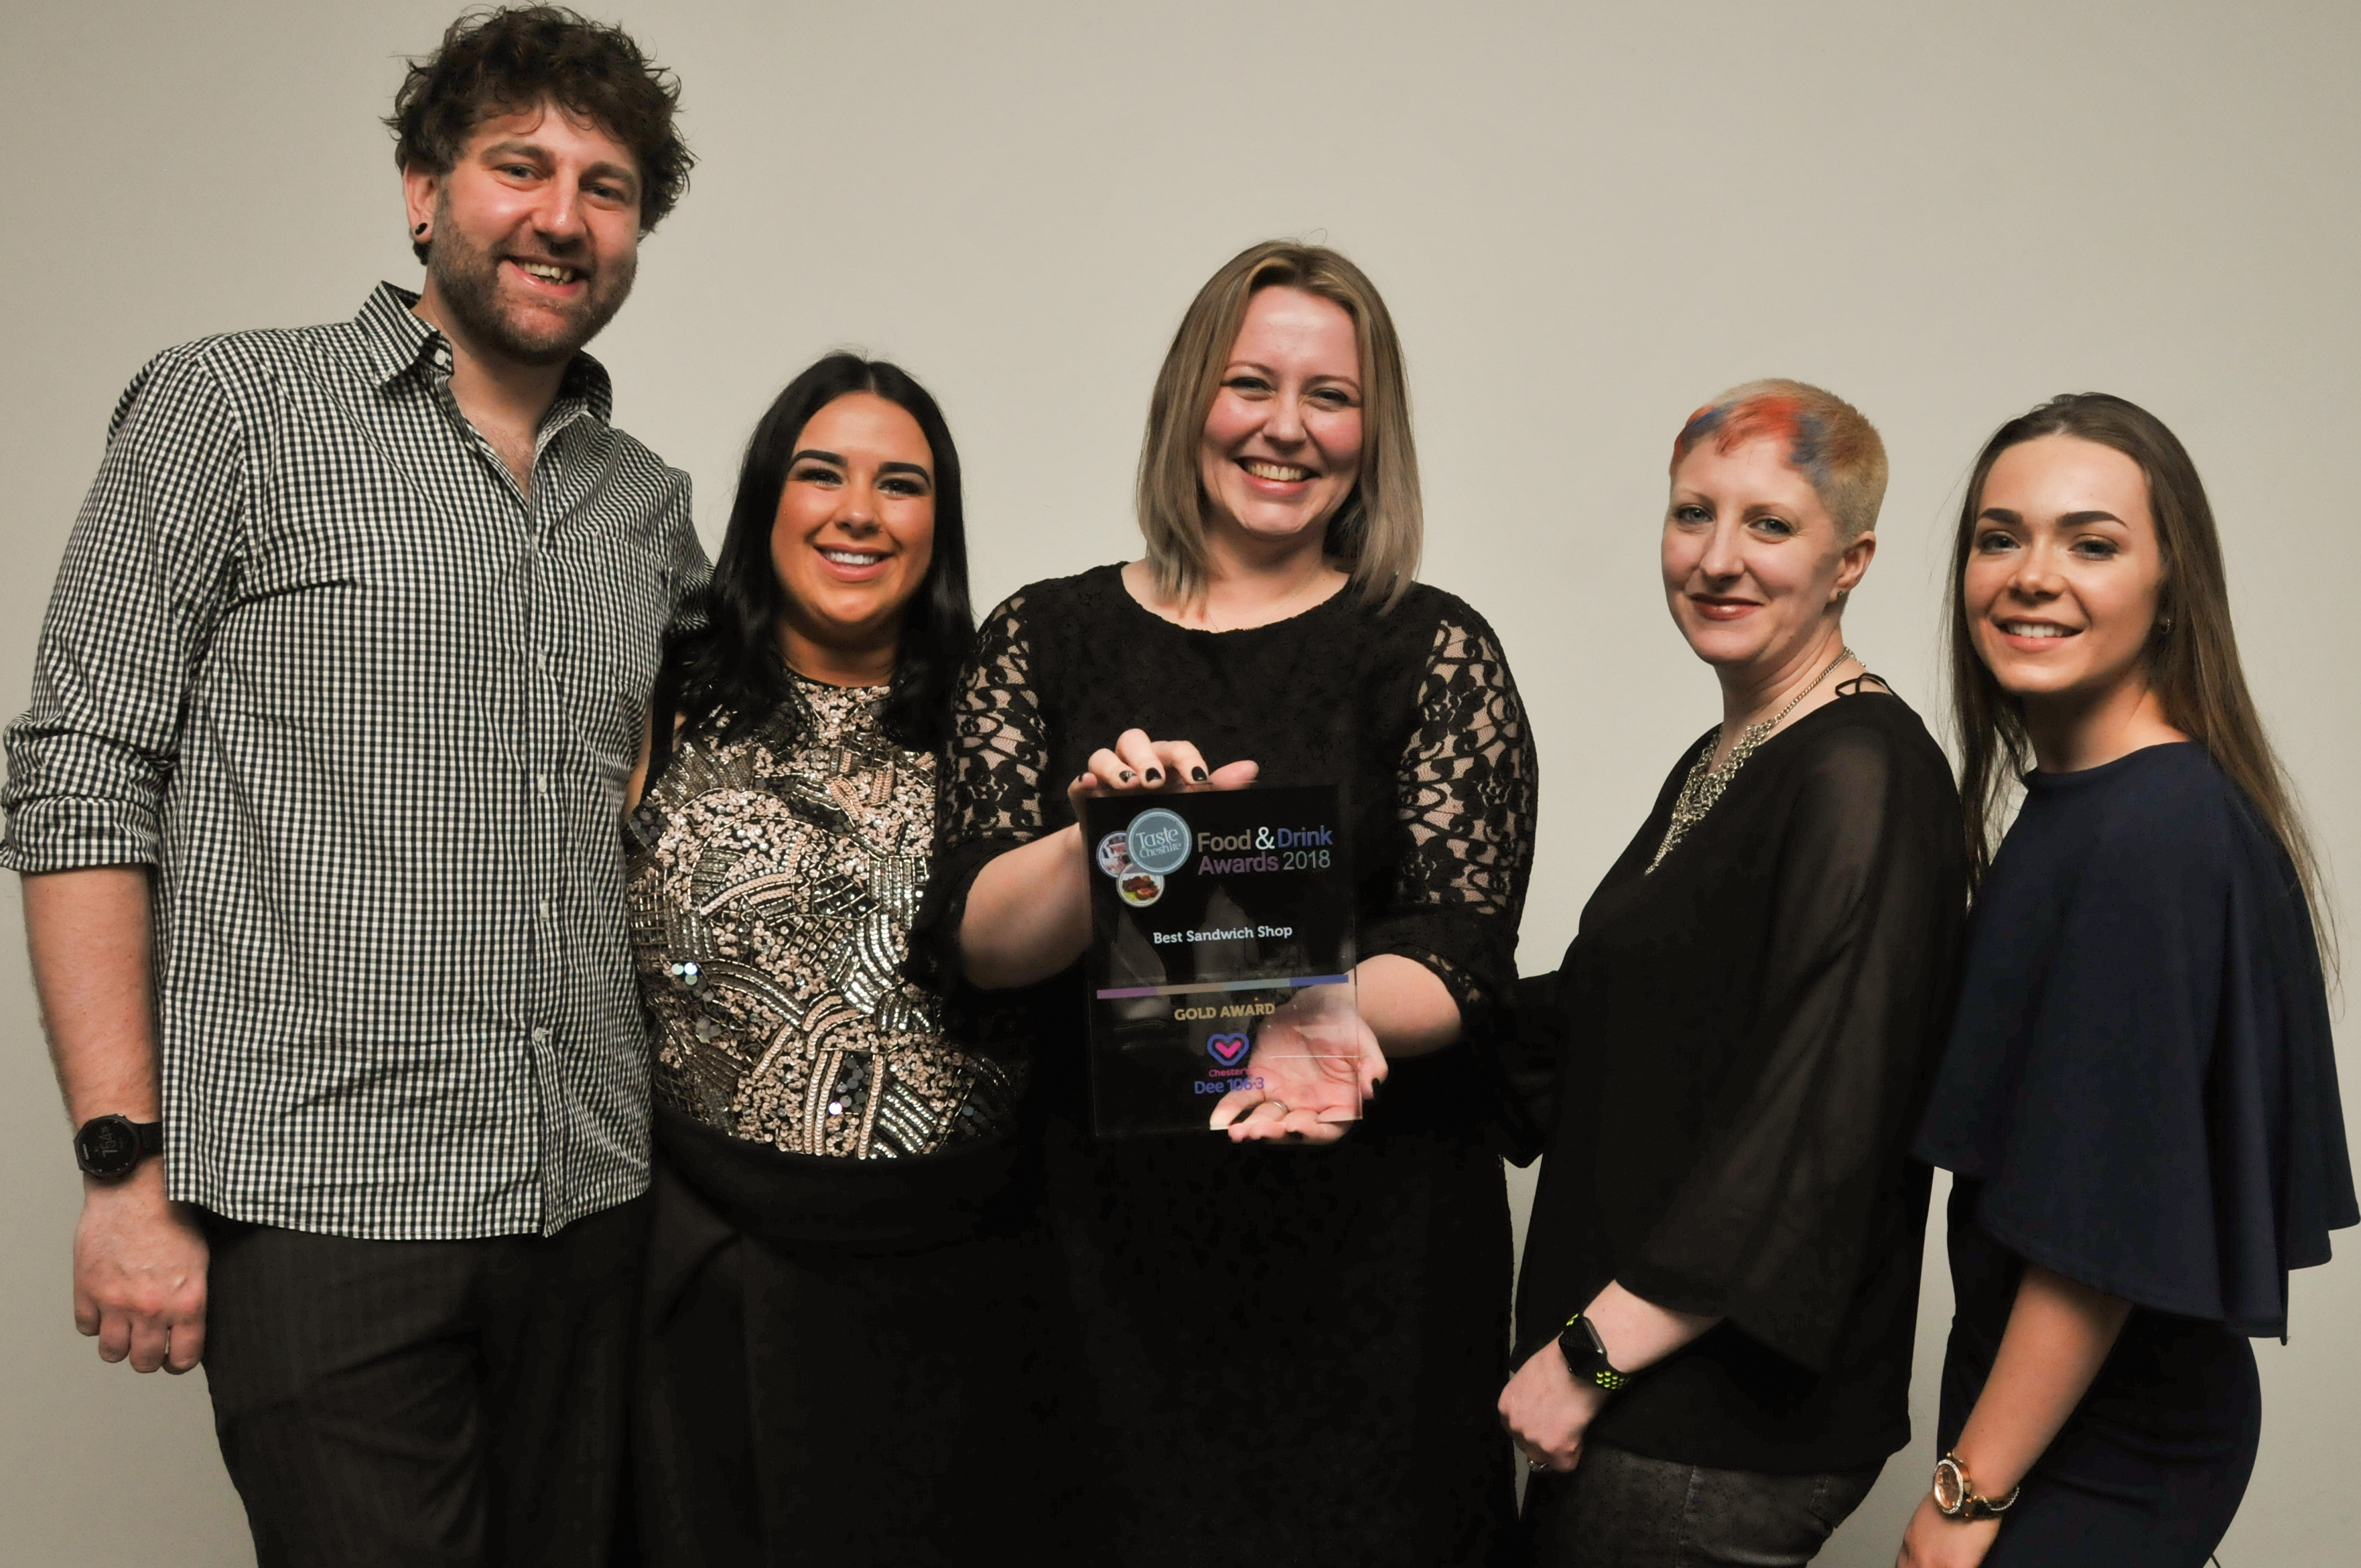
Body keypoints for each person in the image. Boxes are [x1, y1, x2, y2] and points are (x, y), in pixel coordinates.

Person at [1, 9, 703, 1565]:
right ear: (421, 190)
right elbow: (80, 779)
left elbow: (724, 807)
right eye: (519, 166)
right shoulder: (231, 409)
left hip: (590, 1200)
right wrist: (123, 1165)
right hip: (324, 1205)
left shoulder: (648, 504)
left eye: (604, 187)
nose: (561, 215)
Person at [909, 239, 1538, 1565]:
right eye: (1252, 382)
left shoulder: (1435, 650)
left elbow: (1463, 955)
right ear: (1190, 397)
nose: (1286, 427)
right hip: (1096, 1279)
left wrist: (1309, 1014)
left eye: (1331, 396)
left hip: (1372, 1289)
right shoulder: (1041, 638)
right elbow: (974, 945)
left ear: (1373, 432)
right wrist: (1105, 846)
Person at [1499, 380, 1968, 1567]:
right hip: (1648, 1410)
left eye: (1769, 523)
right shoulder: (1734, 751)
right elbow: (1603, 1028)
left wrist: (1589, 1357)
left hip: (1708, 1433)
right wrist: (1329, 1002)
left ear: (1850, 560)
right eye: (1692, 513)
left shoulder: (1865, 775)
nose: (1717, 558)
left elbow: (1817, 1124)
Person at [624, 353, 1079, 1565]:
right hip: (713, 1277)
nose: (860, 513)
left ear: (941, 520)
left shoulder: (1011, 719)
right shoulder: (661, 696)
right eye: (821, 474)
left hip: (969, 1288)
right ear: (767, 499)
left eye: (902, 484)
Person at [1897, 394, 2356, 1568]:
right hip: (2064, 1421)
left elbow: (2090, 1239)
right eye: (2000, 537)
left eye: (2091, 543)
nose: (2031, 575)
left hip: (2104, 1443)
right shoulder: (2086, 806)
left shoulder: (2153, 831)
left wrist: (1962, 1497)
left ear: (2171, 585)